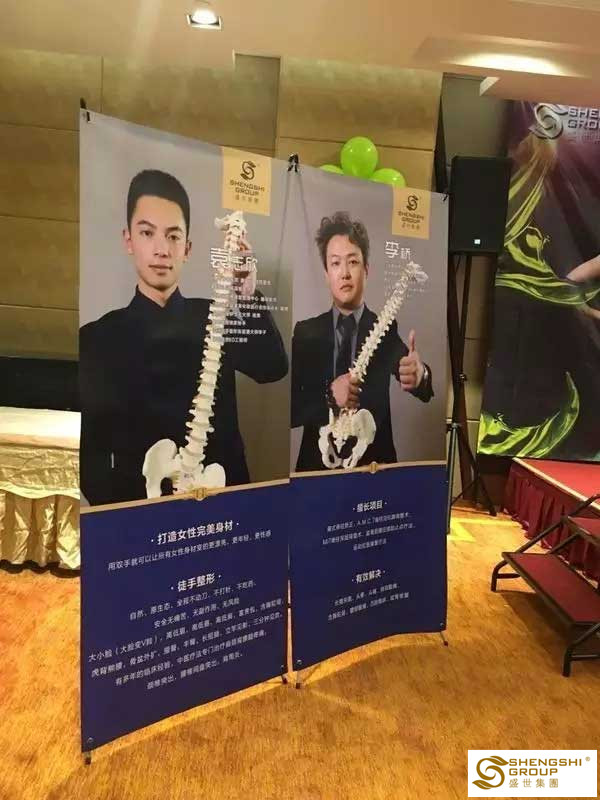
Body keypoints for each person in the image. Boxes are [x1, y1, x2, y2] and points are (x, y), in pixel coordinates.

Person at [80, 169, 288, 505]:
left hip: (224, 506)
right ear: (128, 240)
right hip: (141, 514)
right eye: (147, 233)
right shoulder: (96, 338)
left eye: (174, 236)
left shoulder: (214, 315)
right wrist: (123, 515)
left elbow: (272, 367)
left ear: (187, 248)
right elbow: (91, 454)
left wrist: (247, 295)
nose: (162, 249)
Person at [291, 211, 433, 472]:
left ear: (366, 270)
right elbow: (290, 410)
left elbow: (420, 385)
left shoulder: (385, 329)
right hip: (315, 469)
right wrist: (329, 396)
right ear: (326, 274)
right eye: (335, 263)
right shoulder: (305, 333)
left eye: (353, 262)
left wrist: (419, 373)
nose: (345, 273)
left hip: (373, 469)